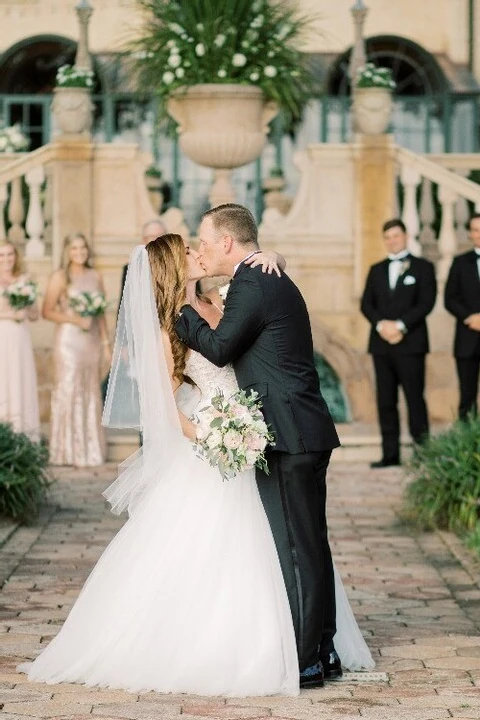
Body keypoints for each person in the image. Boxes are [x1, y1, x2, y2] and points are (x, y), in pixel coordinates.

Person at [19, 235, 374, 697]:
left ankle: (308, 643)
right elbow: (167, 409)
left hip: (255, 436)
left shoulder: (219, 297)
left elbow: (254, 274)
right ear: (171, 266)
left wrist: (273, 255)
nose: (197, 252)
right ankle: (252, 647)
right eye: (187, 251)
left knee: (292, 540)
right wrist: (215, 438)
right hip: (215, 445)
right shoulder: (167, 327)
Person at [175, 204, 343, 689]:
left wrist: (183, 304)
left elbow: (220, 347)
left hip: (288, 433)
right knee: (311, 544)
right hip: (302, 430)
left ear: (227, 242)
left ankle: (306, 658)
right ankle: (324, 649)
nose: (201, 250)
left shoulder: (252, 281)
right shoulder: (264, 274)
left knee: (295, 546)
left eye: (204, 241)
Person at [360, 218, 437, 468]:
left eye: (396, 235)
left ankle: (423, 454)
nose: (392, 240)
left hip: (411, 343)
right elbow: (366, 304)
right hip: (381, 344)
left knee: (415, 398)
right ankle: (389, 455)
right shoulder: (376, 269)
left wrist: (401, 326)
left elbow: (426, 302)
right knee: (385, 401)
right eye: (388, 236)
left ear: (405, 236)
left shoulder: (423, 268)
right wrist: (382, 326)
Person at [43, 232, 111, 467]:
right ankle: (66, 451)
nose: (79, 252)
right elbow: (47, 311)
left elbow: (101, 313)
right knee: (69, 388)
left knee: (90, 390)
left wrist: (105, 344)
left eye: (83, 248)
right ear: (67, 252)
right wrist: (74, 320)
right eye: (74, 248)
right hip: (69, 342)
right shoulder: (60, 277)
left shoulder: (96, 276)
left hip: (91, 342)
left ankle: (90, 450)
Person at [0, 241, 40, 440]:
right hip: (2, 336)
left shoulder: (24, 280)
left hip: (20, 338)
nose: (6, 259)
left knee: (20, 379)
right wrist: (10, 315)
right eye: (2, 255)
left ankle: (23, 436)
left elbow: (35, 315)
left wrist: (25, 309)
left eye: (10, 254)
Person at [444, 213, 480, 420]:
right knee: (467, 396)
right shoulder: (460, 263)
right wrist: (471, 318)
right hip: (467, 339)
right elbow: (450, 298)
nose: (479, 234)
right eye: (475, 229)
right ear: (470, 234)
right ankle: (468, 447)